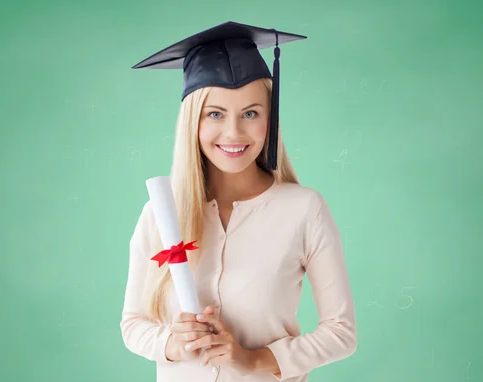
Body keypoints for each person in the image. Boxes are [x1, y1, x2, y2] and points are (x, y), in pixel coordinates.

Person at [120, 21, 357, 382]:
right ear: (192, 123)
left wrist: (255, 360)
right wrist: (174, 343)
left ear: (270, 118)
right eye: (215, 114)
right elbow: (133, 324)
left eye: (250, 113)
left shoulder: (304, 210)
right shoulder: (160, 213)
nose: (233, 133)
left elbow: (341, 333)